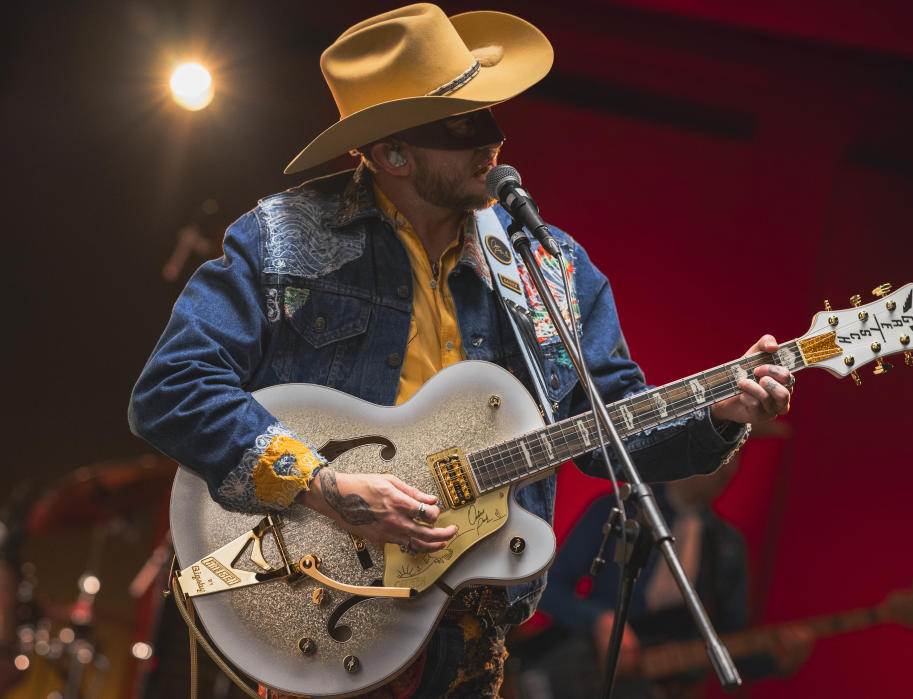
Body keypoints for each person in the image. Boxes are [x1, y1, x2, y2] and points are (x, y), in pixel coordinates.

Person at [128, 4, 794, 697]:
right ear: (393, 154)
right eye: (462, 125)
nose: (494, 141)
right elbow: (173, 388)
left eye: (489, 112)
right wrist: (325, 488)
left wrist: (720, 415)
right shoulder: (283, 238)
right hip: (319, 601)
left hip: (471, 633)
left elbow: (612, 421)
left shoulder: (550, 265)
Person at [523, 456, 812, 699]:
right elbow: (545, 588)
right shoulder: (619, 510)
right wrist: (599, 619)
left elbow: (727, 639)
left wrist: (773, 659)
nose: (731, 467)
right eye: (727, 450)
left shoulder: (727, 545)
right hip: (580, 671)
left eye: (738, 455)